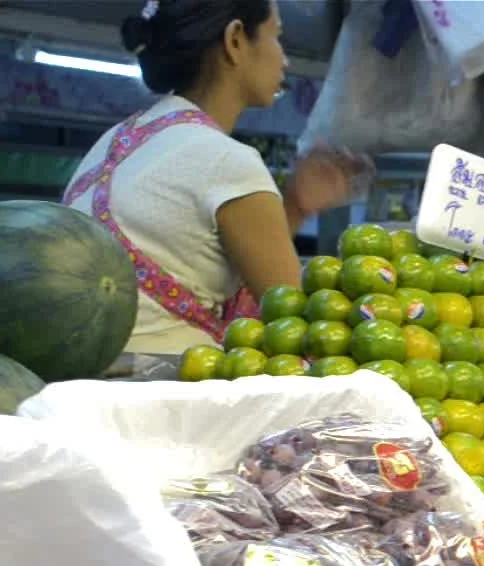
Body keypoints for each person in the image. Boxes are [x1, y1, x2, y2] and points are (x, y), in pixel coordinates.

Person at [63, 0, 362, 354]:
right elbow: (297, 328)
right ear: (235, 40)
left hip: (78, 379)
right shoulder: (227, 161)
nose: (285, 59)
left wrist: (295, 206)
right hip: (164, 390)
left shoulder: (113, 141)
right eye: (276, 37)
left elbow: (191, 251)